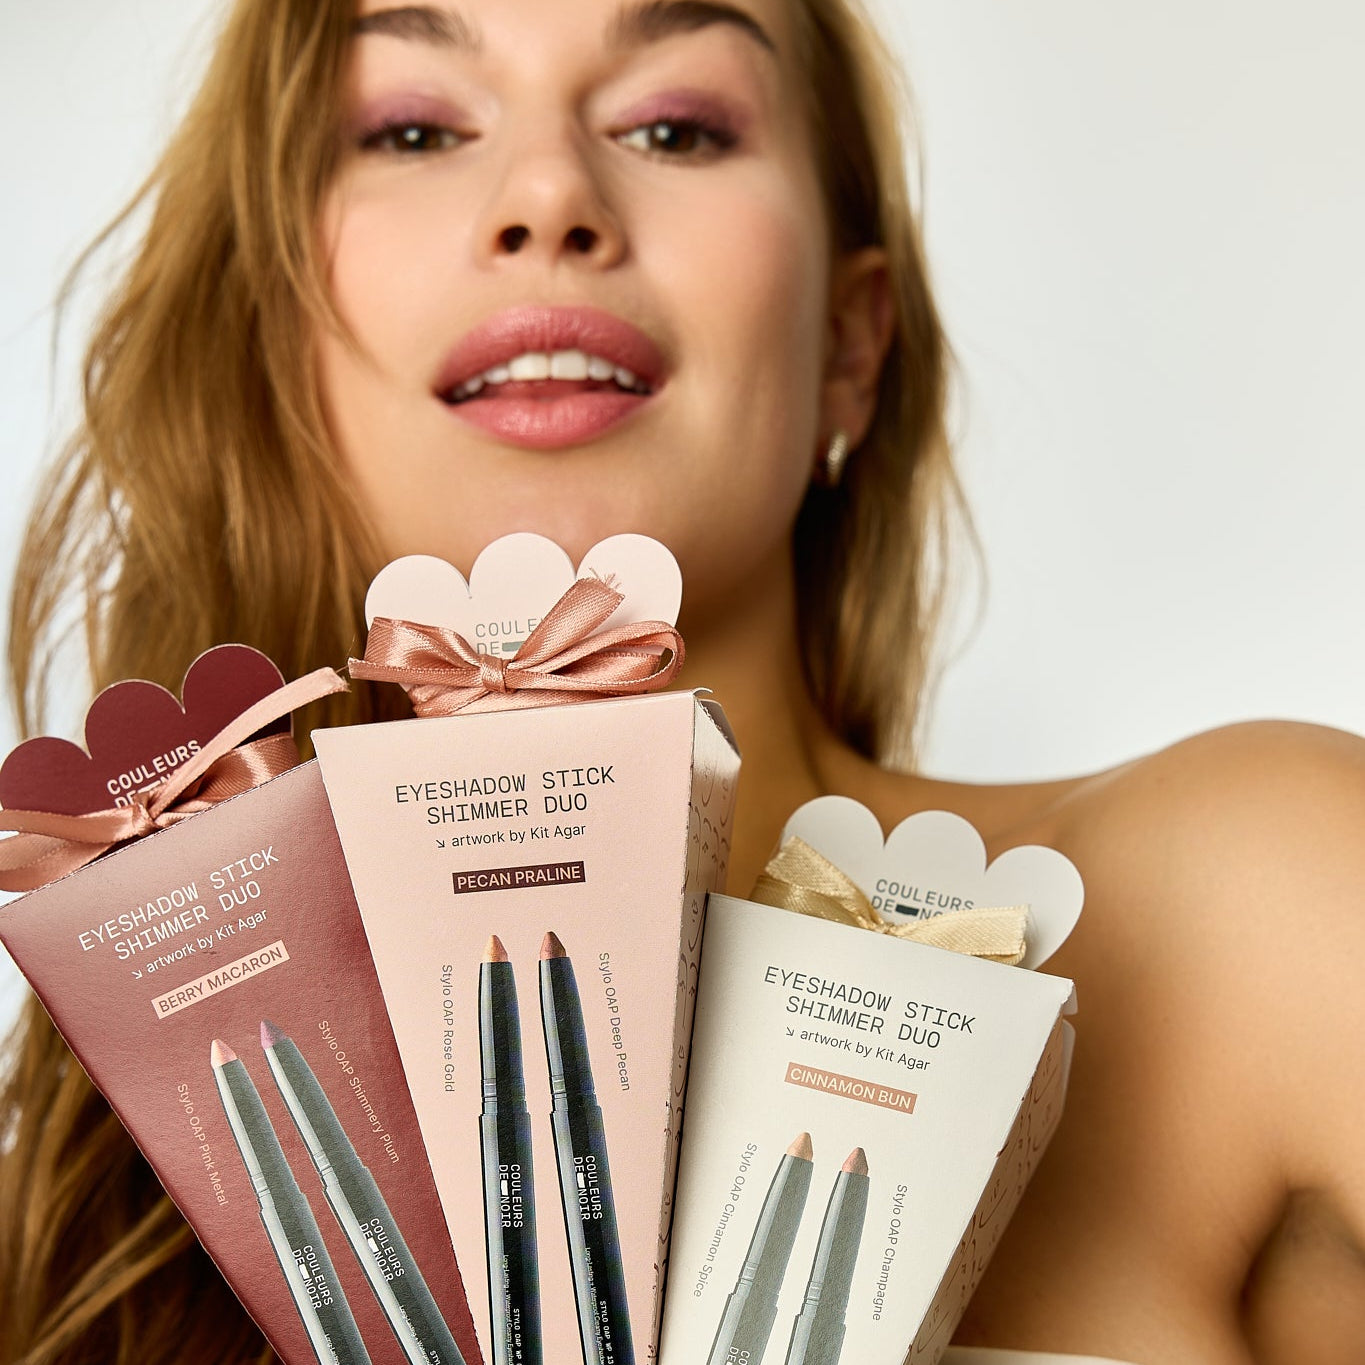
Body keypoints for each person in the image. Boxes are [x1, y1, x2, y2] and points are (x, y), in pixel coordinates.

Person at [2, 2, 1363, 1363]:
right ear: (265, 344)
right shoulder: (81, 1210)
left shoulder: (1252, 901)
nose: (548, 197)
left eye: (673, 125)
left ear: (850, 343)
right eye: (411, 128)